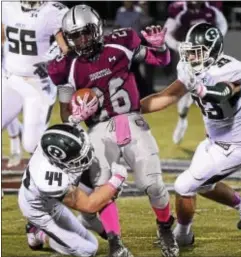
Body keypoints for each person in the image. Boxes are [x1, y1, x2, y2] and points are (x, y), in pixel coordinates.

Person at [48, 5, 179, 257]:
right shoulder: (66, 66)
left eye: (86, 33)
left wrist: (161, 48)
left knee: (152, 183)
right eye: (75, 36)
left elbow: (161, 62)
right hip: (97, 128)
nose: (82, 40)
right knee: (102, 188)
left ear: (96, 28)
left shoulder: (121, 43)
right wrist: (75, 116)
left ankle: (164, 226)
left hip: (131, 120)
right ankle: (115, 242)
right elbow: (65, 111)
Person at [140, 23, 241, 247]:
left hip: (236, 146)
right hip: (214, 142)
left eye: (197, 53)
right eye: (189, 52)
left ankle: (183, 236)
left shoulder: (230, 68)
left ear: (214, 51)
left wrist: (199, 89)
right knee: (203, 184)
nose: (191, 57)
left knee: (184, 186)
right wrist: (130, 108)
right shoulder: (191, 68)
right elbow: (167, 96)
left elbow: (224, 94)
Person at [18, 123, 128, 257]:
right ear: (59, 161)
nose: (86, 154)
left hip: (51, 201)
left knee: (91, 241)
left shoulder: (50, 144)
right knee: (88, 250)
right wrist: (116, 180)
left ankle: (38, 231)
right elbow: (89, 205)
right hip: (38, 211)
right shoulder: (49, 178)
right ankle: (39, 234)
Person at [1, 1, 69, 167]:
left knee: (31, 144)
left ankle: (58, 172)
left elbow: (67, 47)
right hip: (11, 78)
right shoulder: (7, 6)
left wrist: (49, 60)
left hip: (38, 84)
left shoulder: (53, 11)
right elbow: (3, 36)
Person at [164, 1, 228, 144]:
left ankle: (216, 134)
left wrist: (216, 40)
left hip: (208, 55)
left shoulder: (211, 8)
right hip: (189, 56)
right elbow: (167, 32)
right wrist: (177, 45)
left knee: (210, 92)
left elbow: (223, 24)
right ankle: (182, 119)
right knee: (188, 92)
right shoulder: (179, 9)